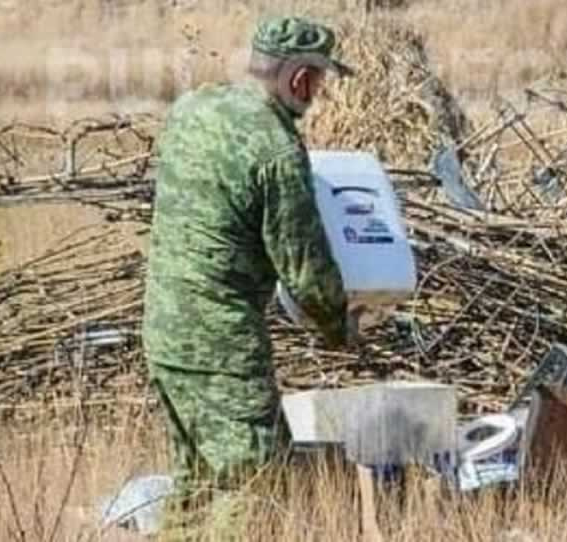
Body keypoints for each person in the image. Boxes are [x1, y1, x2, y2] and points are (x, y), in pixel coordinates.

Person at [141, 15, 357, 538]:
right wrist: (340, 329)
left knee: (195, 484)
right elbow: (305, 271)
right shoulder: (277, 149)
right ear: (301, 79)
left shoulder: (193, 108)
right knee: (255, 484)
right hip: (221, 345)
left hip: (164, 331)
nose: (318, 93)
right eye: (320, 81)